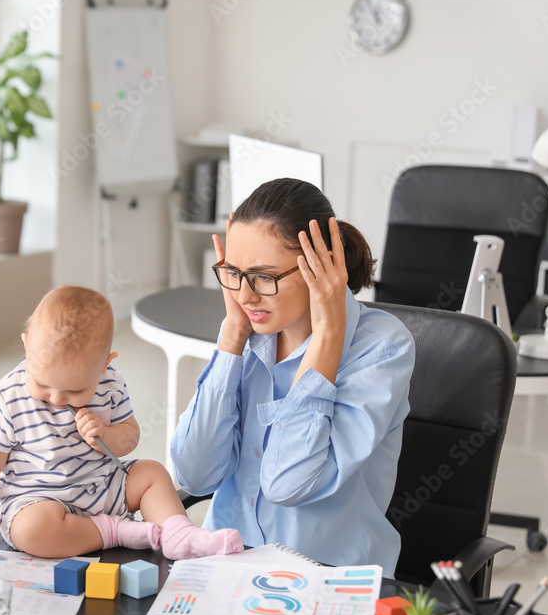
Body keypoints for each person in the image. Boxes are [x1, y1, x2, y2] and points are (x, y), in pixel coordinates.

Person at [170, 178, 415, 577]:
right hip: (227, 563)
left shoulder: (382, 348)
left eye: (264, 277)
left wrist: (328, 338)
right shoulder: (248, 332)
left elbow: (287, 485)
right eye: (233, 273)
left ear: (321, 267)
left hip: (325, 576)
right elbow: (194, 476)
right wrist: (231, 337)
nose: (246, 297)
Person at [0, 285, 243, 560]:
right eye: (43, 384)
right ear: (26, 347)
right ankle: (115, 532)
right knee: (32, 530)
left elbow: (130, 438)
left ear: (104, 366)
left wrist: (107, 435)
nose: (58, 399)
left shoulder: (110, 384)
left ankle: (179, 533)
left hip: (102, 486)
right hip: (38, 499)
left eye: (75, 391)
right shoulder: (10, 395)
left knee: (151, 473)